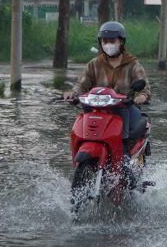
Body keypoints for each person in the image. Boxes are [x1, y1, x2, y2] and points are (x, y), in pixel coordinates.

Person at [63, 21, 150, 158]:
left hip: (124, 107)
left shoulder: (133, 64)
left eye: (112, 41)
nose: (108, 44)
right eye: (105, 41)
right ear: (101, 42)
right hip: (97, 108)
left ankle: (124, 154)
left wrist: (140, 97)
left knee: (128, 136)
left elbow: (144, 88)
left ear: (121, 42)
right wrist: (73, 94)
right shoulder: (94, 64)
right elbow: (82, 85)